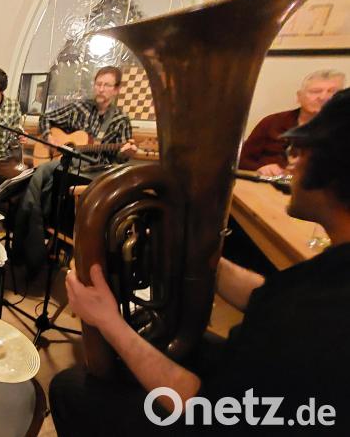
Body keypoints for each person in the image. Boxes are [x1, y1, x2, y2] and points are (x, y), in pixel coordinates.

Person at [50, 88, 350, 436]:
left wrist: (107, 320)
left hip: (222, 417)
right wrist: (207, 260)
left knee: (70, 388)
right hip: (276, 402)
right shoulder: (326, 281)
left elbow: (201, 405)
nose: (291, 161)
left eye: (303, 149)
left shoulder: (314, 319)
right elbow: (273, 295)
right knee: (194, 343)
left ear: (335, 165)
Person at [12, 66, 135, 277]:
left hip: (92, 173)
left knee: (41, 185)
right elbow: (45, 117)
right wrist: (50, 138)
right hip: (65, 164)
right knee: (38, 178)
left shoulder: (120, 121)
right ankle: (31, 248)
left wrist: (125, 153)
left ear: (116, 90)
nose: (101, 89)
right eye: (98, 84)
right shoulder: (79, 108)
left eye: (107, 85)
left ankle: (28, 246)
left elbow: (118, 160)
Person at [238, 69, 345, 176]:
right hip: (266, 185)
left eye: (332, 92)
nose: (323, 97)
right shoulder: (273, 121)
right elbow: (240, 160)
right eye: (315, 91)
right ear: (299, 97)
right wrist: (260, 167)